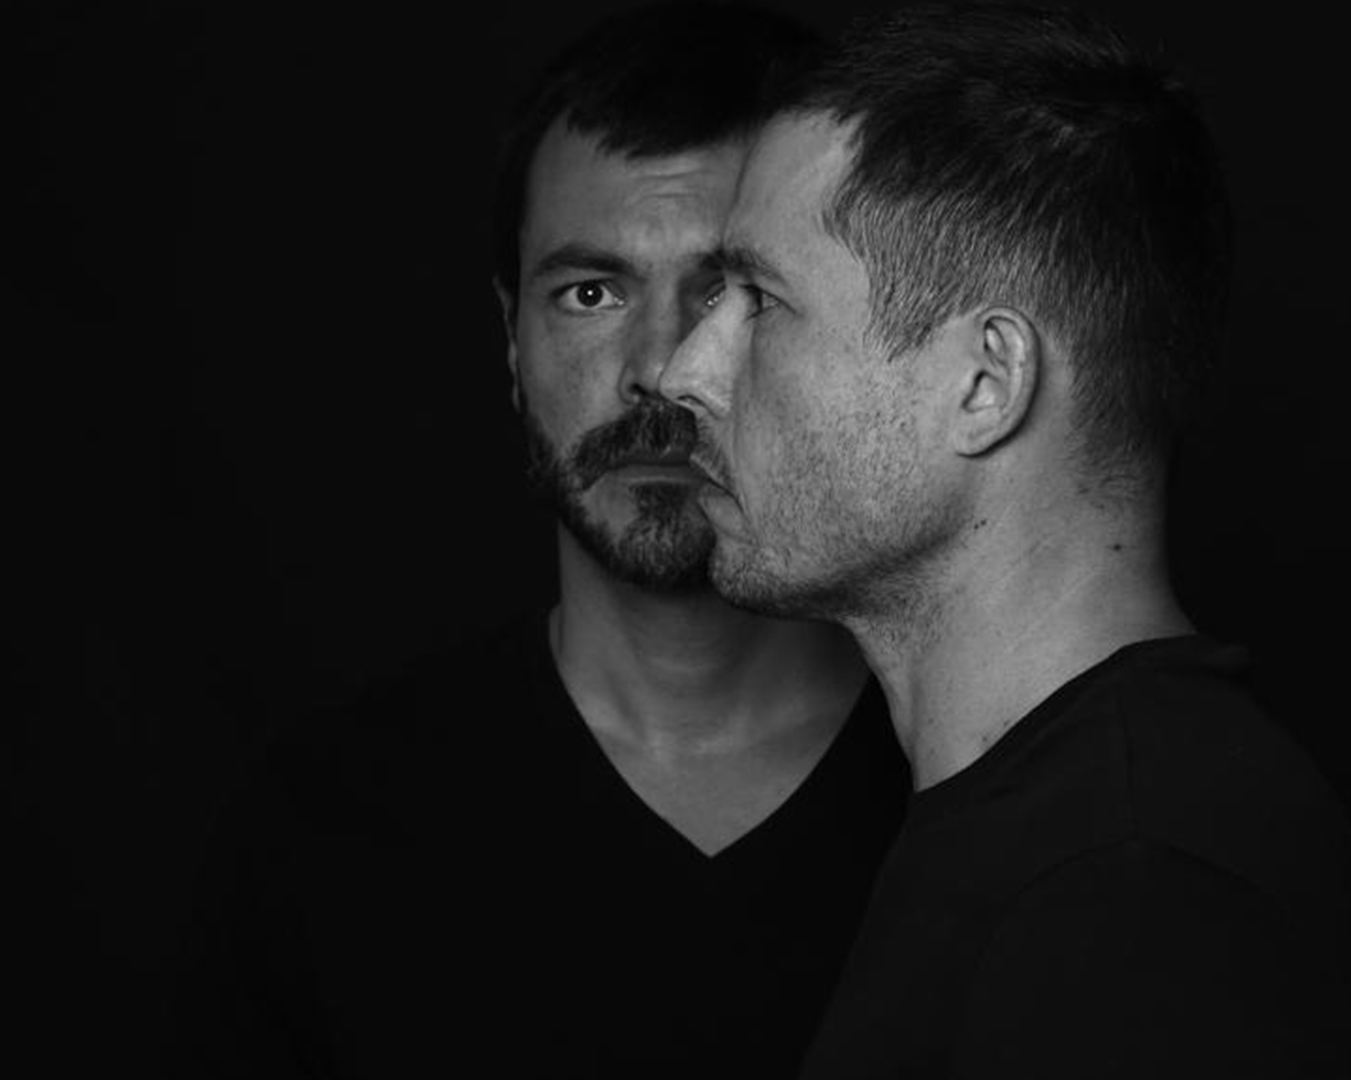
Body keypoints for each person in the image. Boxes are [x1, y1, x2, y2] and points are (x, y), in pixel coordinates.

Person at [660, 3, 1351, 1076]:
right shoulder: (1059, 832)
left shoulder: (1134, 891)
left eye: (760, 301)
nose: (683, 371)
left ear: (986, 384)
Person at [171, 4, 908, 1078]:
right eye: (591, 293)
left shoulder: (998, 805)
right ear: (511, 345)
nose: (660, 370)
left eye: (729, 292)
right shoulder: (323, 826)